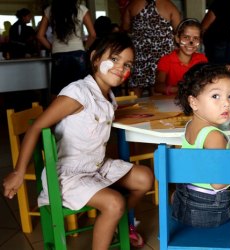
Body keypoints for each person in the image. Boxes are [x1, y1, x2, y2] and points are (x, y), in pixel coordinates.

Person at [3, 32, 154, 249]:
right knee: (115, 203)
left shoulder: (109, 97)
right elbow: (37, 126)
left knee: (145, 177)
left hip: (96, 167)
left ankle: (110, 225)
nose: (121, 67)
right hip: (69, 175)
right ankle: (110, 219)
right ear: (95, 59)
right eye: (114, 59)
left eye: (127, 63)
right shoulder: (78, 93)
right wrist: (18, 171)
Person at [174, 62, 230, 227]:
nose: (227, 103)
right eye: (215, 96)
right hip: (209, 212)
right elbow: (219, 183)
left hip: (182, 205)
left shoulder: (190, 127)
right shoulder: (214, 136)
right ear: (194, 102)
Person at [36, 0, 96, 96]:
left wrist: (52, 48)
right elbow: (92, 35)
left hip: (58, 54)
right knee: (80, 90)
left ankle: (59, 111)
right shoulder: (81, 9)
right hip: (78, 53)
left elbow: (40, 36)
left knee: (59, 91)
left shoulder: (50, 10)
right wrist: (85, 48)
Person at [123, 0, 181, 97]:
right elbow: (179, 31)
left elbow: (125, 27)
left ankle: (134, 111)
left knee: (135, 91)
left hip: (139, 54)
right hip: (161, 56)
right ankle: (157, 112)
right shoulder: (169, 6)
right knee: (158, 88)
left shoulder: (132, 5)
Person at [154, 18, 208, 96]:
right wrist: (182, 89)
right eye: (186, 37)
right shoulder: (166, 60)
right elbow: (158, 86)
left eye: (195, 38)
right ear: (177, 39)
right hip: (171, 103)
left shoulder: (202, 59)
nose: (191, 42)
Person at [201, 0, 230, 65]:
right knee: (225, 68)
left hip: (216, 41)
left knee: (215, 68)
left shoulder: (219, 3)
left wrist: (199, 34)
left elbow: (205, 24)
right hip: (227, 40)